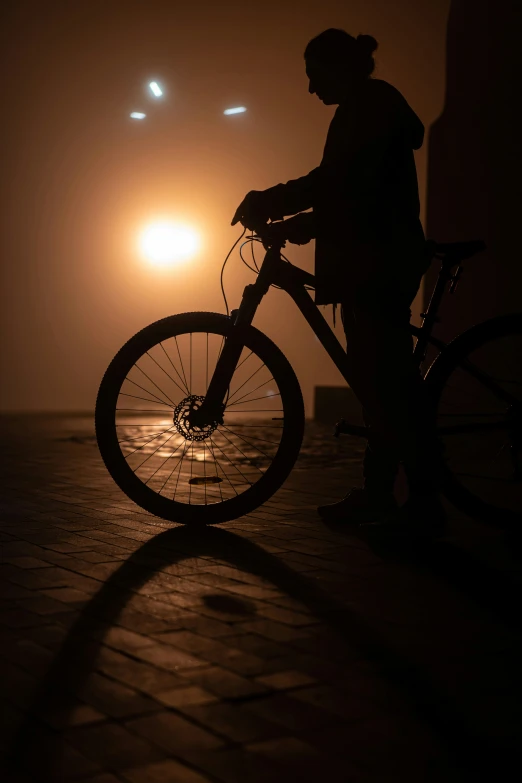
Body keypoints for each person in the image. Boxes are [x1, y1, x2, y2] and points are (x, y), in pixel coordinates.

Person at [231, 28, 446, 539]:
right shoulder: (365, 107)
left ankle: (422, 501)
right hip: (370, 260)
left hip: (378, 261)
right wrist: (296, 221)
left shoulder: (369, 108)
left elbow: (346, 189)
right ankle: (379, 493)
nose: (310, 89)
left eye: (313, 76)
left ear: (337, 68)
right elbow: (343, 189)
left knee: (387, 384)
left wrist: (276, 203)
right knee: (376, 382)